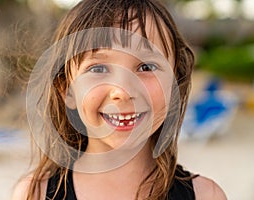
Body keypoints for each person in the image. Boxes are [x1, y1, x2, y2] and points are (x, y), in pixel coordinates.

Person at [12, 0, 227, 199]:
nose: (122, 91)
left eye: (146, 67)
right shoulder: (35, 194)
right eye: (98, 68)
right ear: (67, 90)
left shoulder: (206, 195)